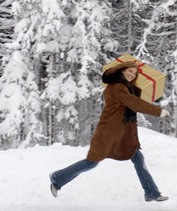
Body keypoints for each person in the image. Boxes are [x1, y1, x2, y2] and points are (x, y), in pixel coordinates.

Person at [49, 61, 170, 202]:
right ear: (122, 71)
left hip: (124, 135)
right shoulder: (116, 88)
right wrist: (158, 111)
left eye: (135, 73)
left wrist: (148, 97)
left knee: (138, 159)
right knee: (91, 162)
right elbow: (134, 103)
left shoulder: (126, 88)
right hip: (109, 133)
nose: (132, 75)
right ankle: (57, 178)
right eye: (130, 71)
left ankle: (151, 192)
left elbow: (132, 102)